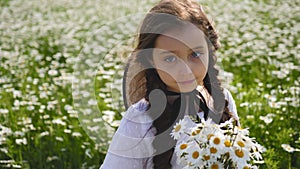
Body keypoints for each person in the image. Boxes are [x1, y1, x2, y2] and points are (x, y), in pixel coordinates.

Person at [100, 0, 240, 168]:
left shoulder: (223, 100)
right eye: (170, 59)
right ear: (152, 60)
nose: (185, 70)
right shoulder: (139, 120)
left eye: (195, 54)